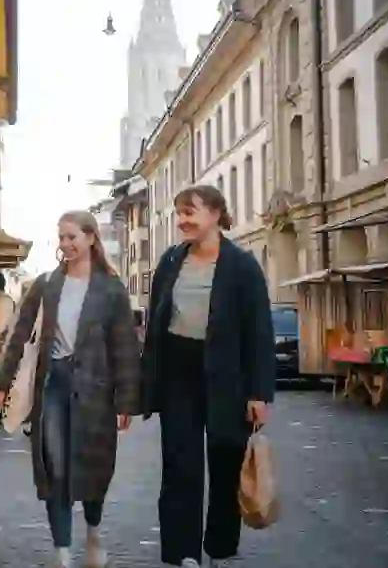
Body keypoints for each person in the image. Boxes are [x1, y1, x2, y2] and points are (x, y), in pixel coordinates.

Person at [0, 210, 141, 568]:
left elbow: (124, 348)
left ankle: (93, 530)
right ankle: (62, 553)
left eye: (72, 236)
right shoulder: (45, 285)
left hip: (96, 389)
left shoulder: (111, 289)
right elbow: (19, 336)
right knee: (53, 466)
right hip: (52, 385)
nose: (65, 244)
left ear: (91, 238)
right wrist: (3, 381)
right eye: (61, 238)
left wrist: (127, 401)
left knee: (93, 466)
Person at [142, 185, 274, 568]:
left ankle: (220, 549)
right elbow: (155, 326)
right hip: (177, 374)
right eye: (179, 213)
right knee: (180, 466)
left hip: (227, 378)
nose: (182, 220)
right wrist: (147, 383)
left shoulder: (242, 265)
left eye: (190, 212)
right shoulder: (170, 261)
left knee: (225, 463)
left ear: (215, 214)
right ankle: (183, 553)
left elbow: (259, 333)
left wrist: (259, 392)